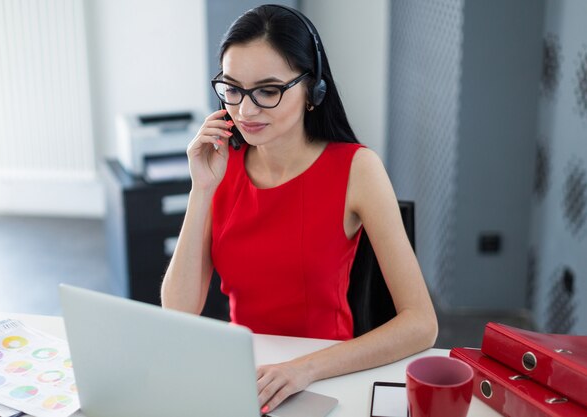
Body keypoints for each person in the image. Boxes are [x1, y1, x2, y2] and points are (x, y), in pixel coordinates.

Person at [161, 4, 437, 414]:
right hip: (248, 375)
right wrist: (201, 189)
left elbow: (421, 324)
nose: (246, 111)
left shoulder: (358, 170)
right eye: (232, 89)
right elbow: (179, 310)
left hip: (327, 373)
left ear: (313, 91)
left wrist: (301, 369)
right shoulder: (221, 164)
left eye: (268, 91)